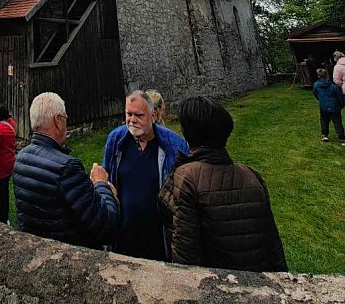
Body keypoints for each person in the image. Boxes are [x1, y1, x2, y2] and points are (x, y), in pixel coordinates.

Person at [158, 96, 287, 272]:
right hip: (259, 281)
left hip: (215, 283)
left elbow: (185, 251)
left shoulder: (187, 177)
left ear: (189, 134)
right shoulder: (251, 175)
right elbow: (272, 242)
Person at [14, 92, 119, 248]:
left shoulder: (21, 158)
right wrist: (101, 185)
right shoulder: (67, 167)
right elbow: (107, 227)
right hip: (70, 255)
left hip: (37, 250)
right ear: (58, 121)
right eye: (65, 118)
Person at [103, 89, 188, 260]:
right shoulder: (116, 140)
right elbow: (107, 177)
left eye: (139, 115)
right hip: (124, 239)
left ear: (153, 115)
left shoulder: (174, 146)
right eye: (129, 114)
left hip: (160, 240)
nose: (132, 120)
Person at [0, 104, 16, 224]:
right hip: (10, 163)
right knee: (5, 190)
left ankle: (2, 217)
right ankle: (5, 216)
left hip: (0, 165)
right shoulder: (11, 125)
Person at [313, 68, 345, 144]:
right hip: (334, 107)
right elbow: (340, 97)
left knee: (324, 120)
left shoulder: (316, 85)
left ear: (318, 76)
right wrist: (341, 105)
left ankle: (324, 135)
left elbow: (315, 93)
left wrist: (321, 100)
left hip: (324, 106)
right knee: (337, 122)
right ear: (327, 75)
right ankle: (342, 137)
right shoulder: (334, 86)